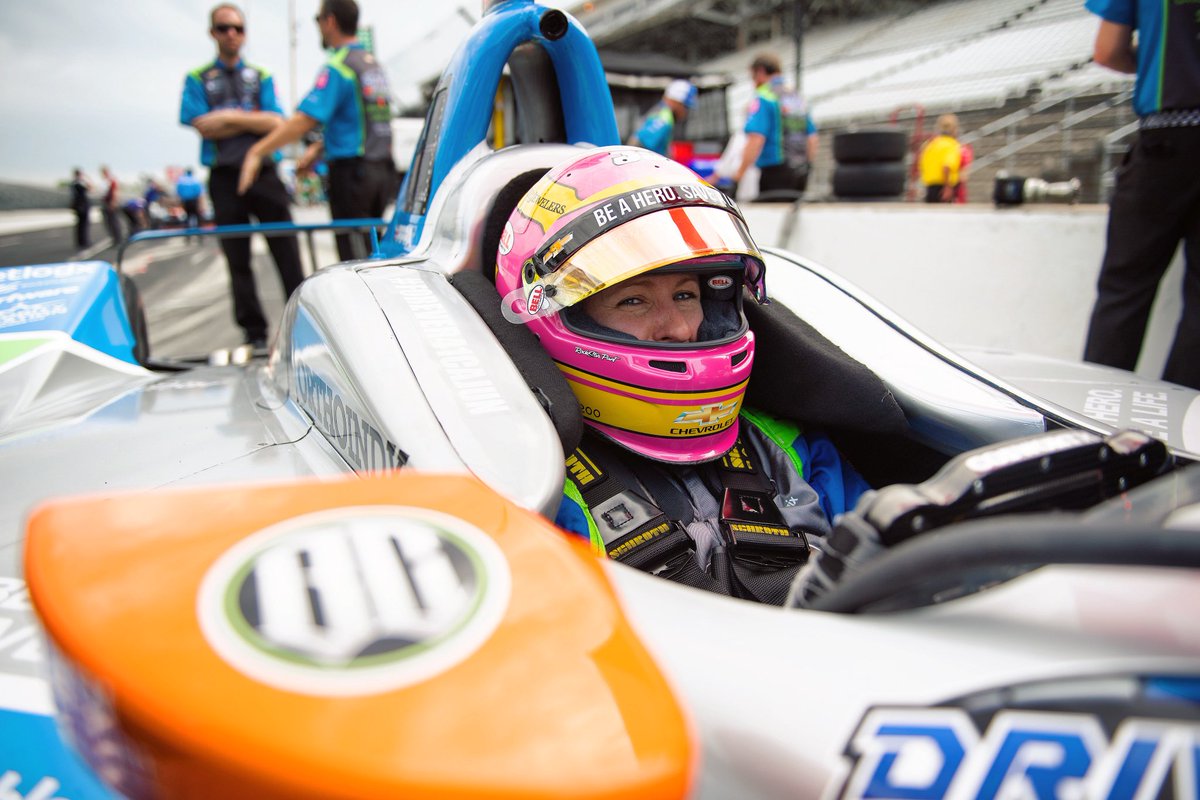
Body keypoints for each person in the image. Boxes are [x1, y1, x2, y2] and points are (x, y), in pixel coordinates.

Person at [494, 145, 870, 604]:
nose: (677, 330)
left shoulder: (791, 447)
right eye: (633, 300)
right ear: (557, 314)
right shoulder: (536, 485)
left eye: (687, 295)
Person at [1081, 0, 1200, 390]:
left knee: (1124, 290)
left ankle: (1089, 421)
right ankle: (1181, 435)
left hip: (1168, 134)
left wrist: (1150, 60)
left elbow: (1108, 50)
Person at [180, 3, 306, 349]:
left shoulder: (261, 76)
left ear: (245, 33)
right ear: (212, 33)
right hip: (223, 178)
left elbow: (276, 122)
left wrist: (228, 118)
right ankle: (255, 336)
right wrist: (252, 119)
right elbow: (202, 126)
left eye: (237, 28)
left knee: (288, 252)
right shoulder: (198, 78)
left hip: (265, 174)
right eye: (223, 28)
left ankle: (305, 327)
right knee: (238, 261)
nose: (231, 34)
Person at [239, 0, 396, 262]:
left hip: (353, 176)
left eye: (318, 20)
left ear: (330, 21)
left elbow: (304, 119)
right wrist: (320, 147)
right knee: (377, 251)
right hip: (381, 171)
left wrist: (257, 151)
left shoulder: (339, 66)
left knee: (357, 262)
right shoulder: (372, 64)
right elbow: (358, 121)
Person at [728, 53, 818, 200]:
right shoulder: (797, 97)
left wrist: (738, 176)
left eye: (753, 77)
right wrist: (808, 166)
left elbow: (756, 138)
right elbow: (812, 138)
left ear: (761, 72)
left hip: (774, 172)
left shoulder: (764, 96)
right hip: (800, 171)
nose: (754, 83)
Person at [628, 79, 696, 157]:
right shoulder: (664, 118)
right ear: (675, 102)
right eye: (685, 106)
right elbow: (639, 142)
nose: (686, 111)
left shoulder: (663, 113)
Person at [918, 114, 963, 203]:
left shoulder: (930, 145)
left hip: (929, 188)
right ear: (954, 129)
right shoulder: (951, 145)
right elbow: (946, 166)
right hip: (943, 189)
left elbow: (921, 165)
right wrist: (947, 187)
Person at [69, 168, 91, 249]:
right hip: (83, 205)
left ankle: (80, 241)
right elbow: (90, 187)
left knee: (80, 224)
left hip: (77, 205)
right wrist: (87, 178)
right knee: (84, 224)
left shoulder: (72, 184)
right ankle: (84, 241)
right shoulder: (80, 183)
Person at [100, 166, 122, 244]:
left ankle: (117, 239)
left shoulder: (112, 180)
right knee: (109, 222)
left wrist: (113, 202)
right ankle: (114, 238)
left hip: (110, 203)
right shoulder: (105, 181)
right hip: (106, 203)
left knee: (113, 222)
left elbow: (115, 192)